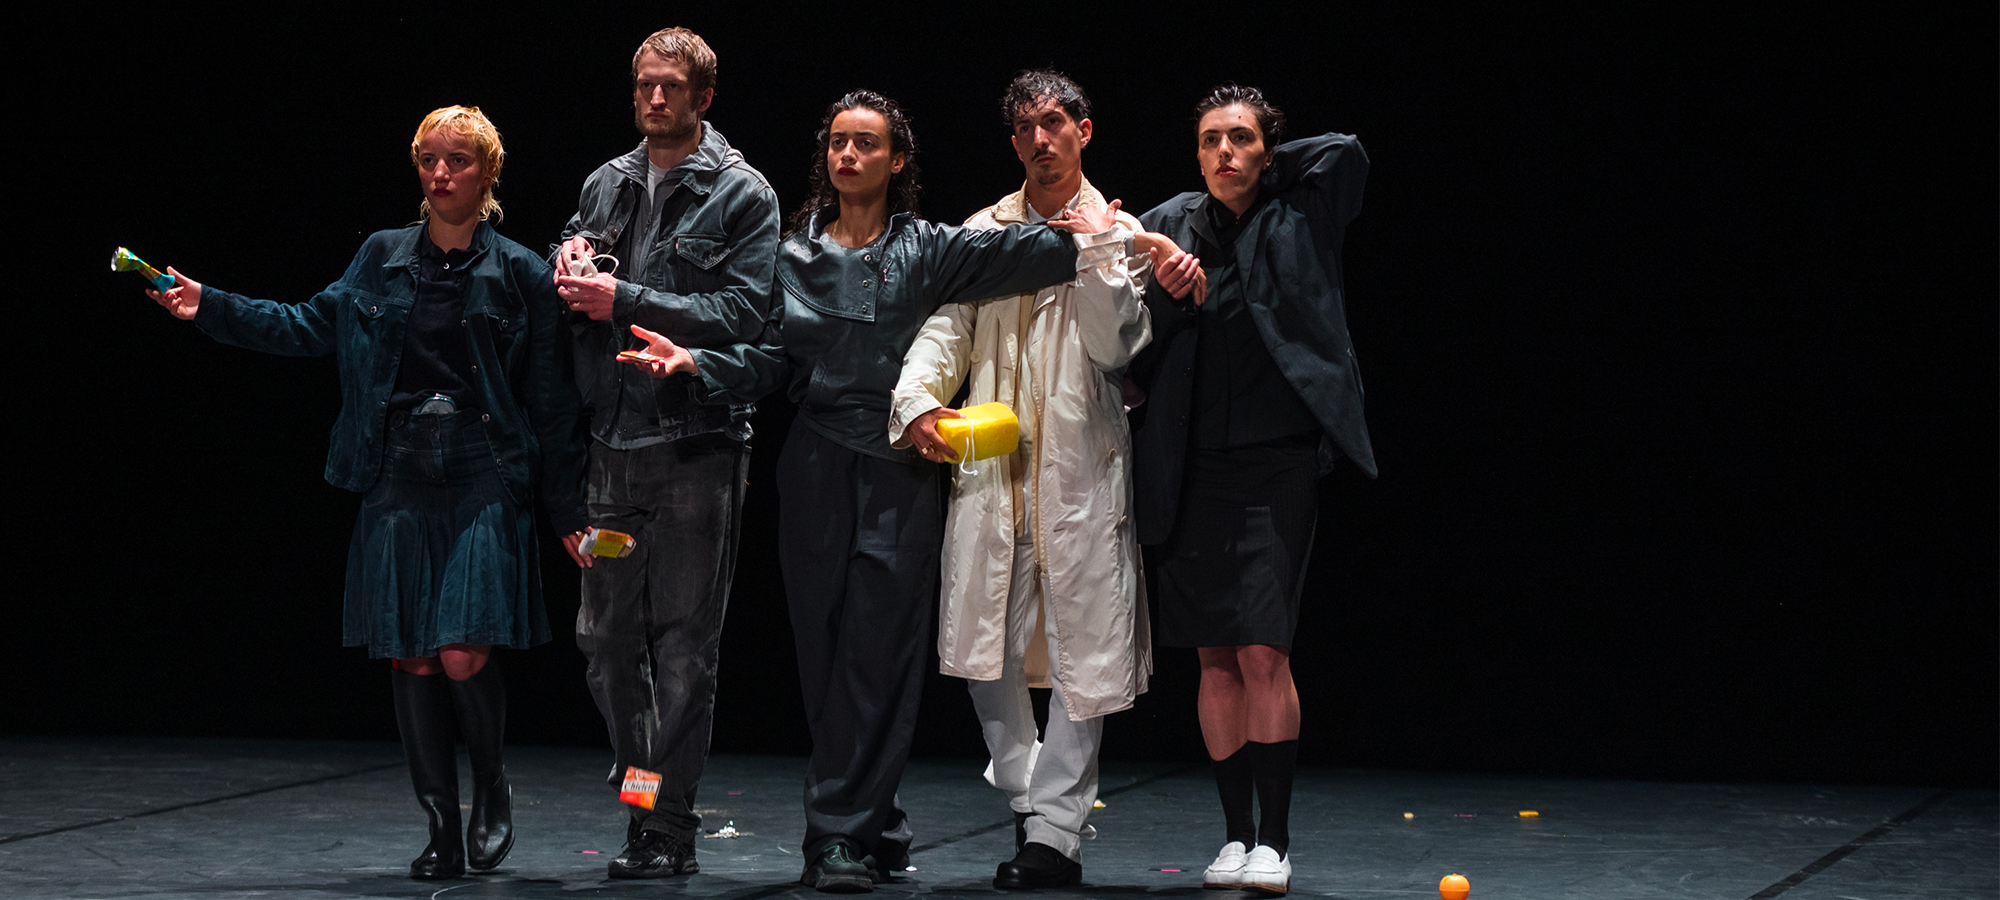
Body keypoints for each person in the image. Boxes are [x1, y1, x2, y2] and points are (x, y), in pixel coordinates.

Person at [624, 89, 1124, 893]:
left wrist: (1098, 231)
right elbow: (768, 360)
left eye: (866, 143)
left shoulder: (929, 248)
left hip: (898, 466)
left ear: (897, 160)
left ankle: (838, 838)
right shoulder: (790, 257)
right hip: (815, 464)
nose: (848, 155)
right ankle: (877, 822)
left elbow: (1030, 251)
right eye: (837, 143)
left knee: (879, 657)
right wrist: (698, 364)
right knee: (824, 656)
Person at [145, 106, 589, 880]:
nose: (440, 173)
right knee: (412, 654)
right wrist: (209, 305)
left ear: (488, 171)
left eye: (457, 160)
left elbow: (550, 404)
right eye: (428, 159)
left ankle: (490, 785)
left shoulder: (521, 271)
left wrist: (568, 510)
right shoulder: (381, 257)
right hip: (398, 470)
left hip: (483, 468)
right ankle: (440, 824)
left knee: (461, 649)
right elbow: (307, 325)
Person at [887, 68, 1164, 890]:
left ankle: (1053, 837)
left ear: (1084, 130)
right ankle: (1028, 790)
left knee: (1085, 657)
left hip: (1082, 470)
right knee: (984, 650)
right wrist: (918, 400)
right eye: (1026, 128)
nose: (1042, 139)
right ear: (1013, 142)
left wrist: (1099, 251)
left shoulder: (1121, 230)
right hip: (993, 468)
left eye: (1055, 123)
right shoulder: (984, 231)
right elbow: (946, 329)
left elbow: (1119, 348)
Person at [1127, 84, 1376, 896]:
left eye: (1239, 138)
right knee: (1215, 655)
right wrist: (1160, 281)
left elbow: (1346, 151)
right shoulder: (1169, 225)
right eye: (1210, 141)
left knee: (1265, 648)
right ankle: (1235, 836)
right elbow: (1133, 336)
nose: (1223, 152)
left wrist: (1264, 168)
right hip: (1192, 465)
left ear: (1268, 149)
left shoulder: (1302, 209)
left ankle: (1276, 840)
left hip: (1277, 463)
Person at [547, 26, 782, 880]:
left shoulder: (743, 194)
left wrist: (624, 298)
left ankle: (664, 827)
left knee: (683, 649)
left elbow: (746, 314)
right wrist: (567, 257)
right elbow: (575, 255)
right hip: (613, 447)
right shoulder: (606, 181)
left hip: (694, 451)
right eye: (644, 83)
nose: (654, 97)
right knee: (605, 642)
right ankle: (644, 795)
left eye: (671, 86)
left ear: (702, 97)